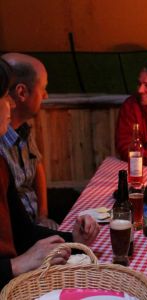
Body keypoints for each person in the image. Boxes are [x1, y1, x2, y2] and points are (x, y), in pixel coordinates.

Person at [0, 58, 100, 288]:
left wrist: (73, 240)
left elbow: (22, 231)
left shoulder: (1, 166)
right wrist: (15, 265)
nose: (12, 104)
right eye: (5, 97)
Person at [0, 53, 57, 230]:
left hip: (32, 226)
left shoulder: (24, 128)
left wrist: (43, 215)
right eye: (43, 89)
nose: (46, 96)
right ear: (22, 92)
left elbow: (37, 166)